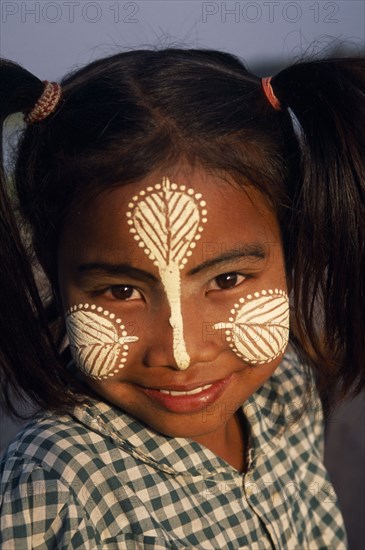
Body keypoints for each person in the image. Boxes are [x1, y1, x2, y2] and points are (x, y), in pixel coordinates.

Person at [0, 48, 364, 549]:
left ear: (292, 242)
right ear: (52, 265)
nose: (182, 351)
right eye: (122, 291)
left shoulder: (289, 391)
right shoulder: (56, 485)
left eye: (228, 281)